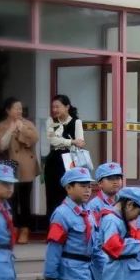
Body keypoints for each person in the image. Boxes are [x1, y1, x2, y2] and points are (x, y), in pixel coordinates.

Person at [0, 97, 40, 244]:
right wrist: (10, 130)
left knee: (25, 200)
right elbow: (0, 146)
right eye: (16, 108)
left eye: (20, 108)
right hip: (8, 167)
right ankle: (12, 228)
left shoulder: (27, 124)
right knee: (10, 199)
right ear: (8, 110)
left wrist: (21, 128)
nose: (19, 111)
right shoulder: (1, 126)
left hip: (26, 167)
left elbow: (35, 138)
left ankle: (25, 229)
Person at [87, 162, 124, 280]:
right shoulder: (94, 205)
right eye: (110, 179)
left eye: (118, 178)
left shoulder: (122, 202)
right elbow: (93, 236)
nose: (116, 182)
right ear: (100, 183)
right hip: (101, 257)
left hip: (117, 256)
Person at [44, 94, 85, 223]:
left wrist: (70, 142)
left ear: (67, 107)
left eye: (58, 107)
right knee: (51, 193)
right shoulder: (51, 121)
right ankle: (53, 225)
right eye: (53, 107)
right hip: (53, 159)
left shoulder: (76, 122)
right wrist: (71, 141)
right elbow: (52, 140)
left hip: (69, 160)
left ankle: (68, 224)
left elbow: (80, 142)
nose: (54, 110)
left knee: (68, 191)